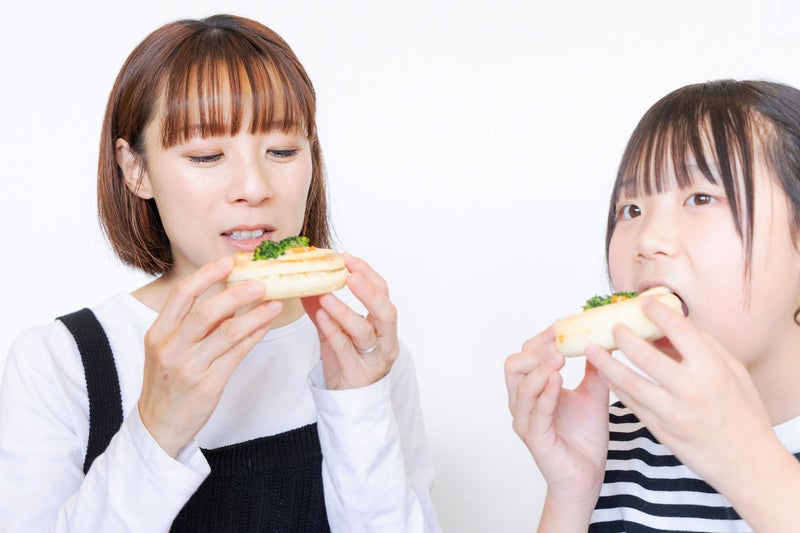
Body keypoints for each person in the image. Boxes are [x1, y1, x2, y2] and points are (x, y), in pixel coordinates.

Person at [0, 14, 440, 532]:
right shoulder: (58, 364)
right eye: (207, 155)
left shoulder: (362, 352)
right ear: (135, 169)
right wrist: (156, 427)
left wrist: (359, 408)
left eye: (283, 151)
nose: (254, 187)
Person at [504, 79, 800, 532]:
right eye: (631, 210)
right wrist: (571, 496)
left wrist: (750, 464)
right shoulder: (610, 441)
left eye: (701, 198)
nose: (648, 242)